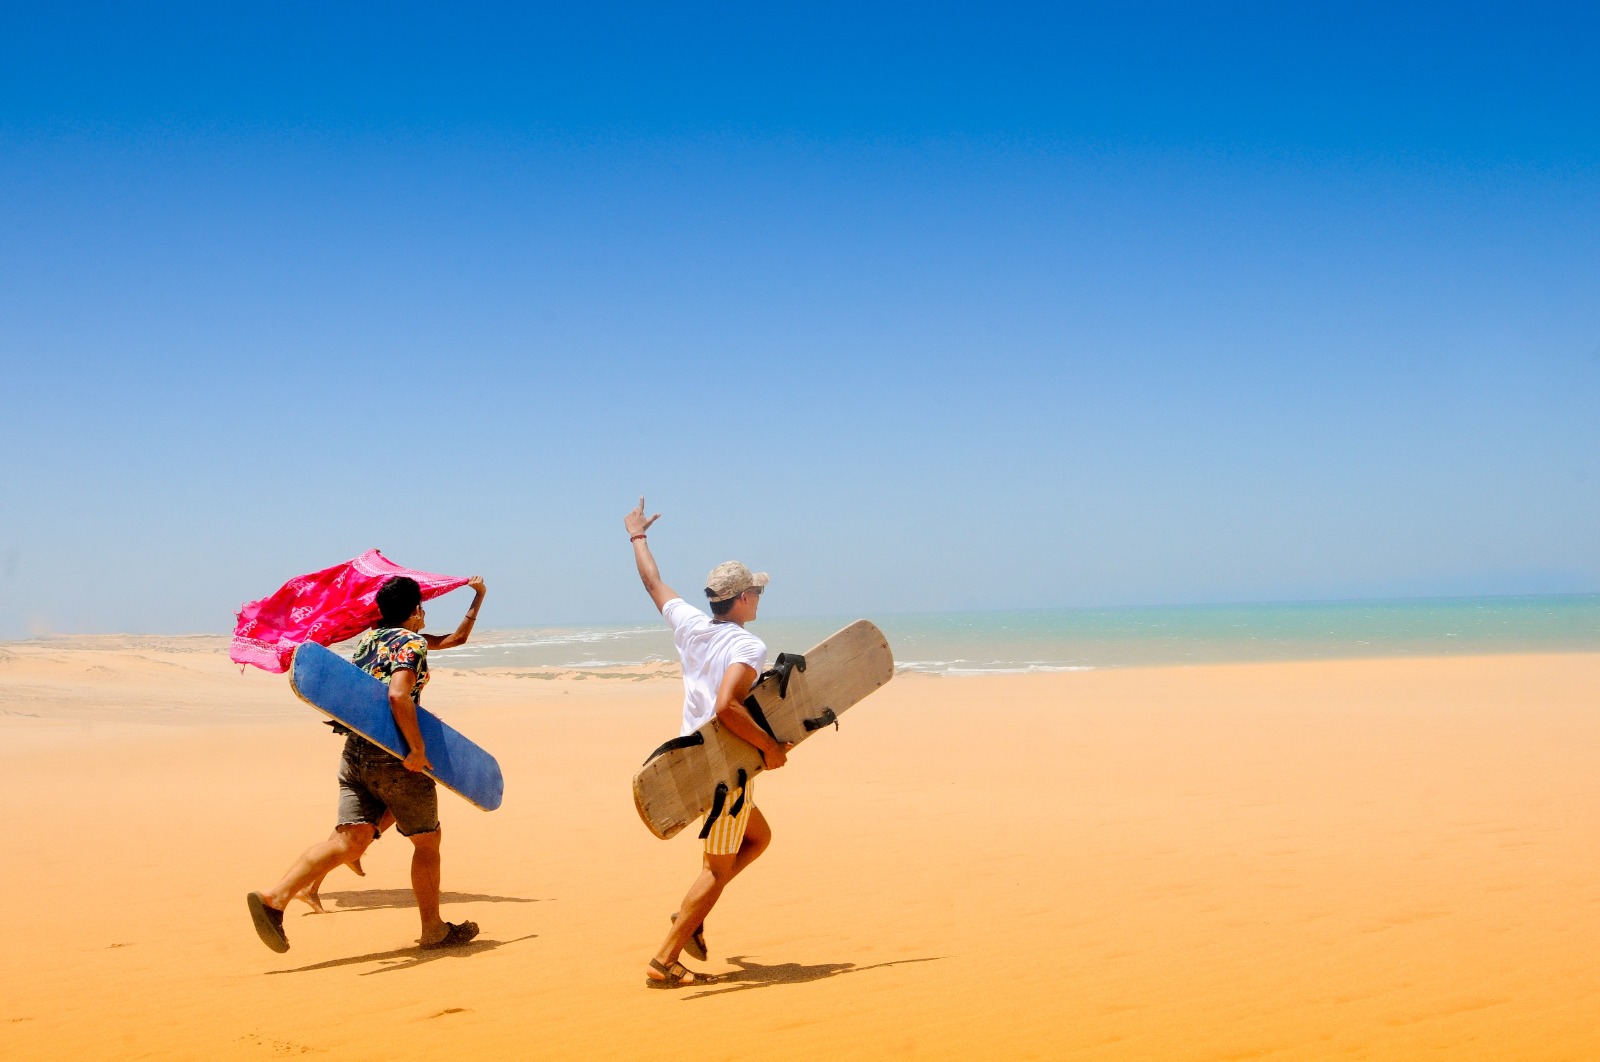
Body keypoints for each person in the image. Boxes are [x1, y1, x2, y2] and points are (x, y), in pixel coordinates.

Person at [247, 574, 487, 952]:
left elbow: (456, 639)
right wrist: (418, 750)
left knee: (350, 840)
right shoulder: (411, 644)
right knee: (427, 841)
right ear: (415, 611)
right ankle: (433, 930)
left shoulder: (370, 639)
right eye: (422, 607)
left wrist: (478, 598)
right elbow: (398, 695)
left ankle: (274, 898)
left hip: (356, 754)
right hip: (396, 758)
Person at [625, 498, 792, 988]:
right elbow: (727, 707)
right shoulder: (747, 646)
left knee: (758, 838)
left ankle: (687, 918)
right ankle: (665, 958)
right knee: (715, 870)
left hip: (690, 759)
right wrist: (769, 748)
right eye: (755, 592)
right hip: (726, 770)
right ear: (740, 598)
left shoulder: (692, 626)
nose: (759, 598)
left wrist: (637, 536)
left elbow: (653, 582)